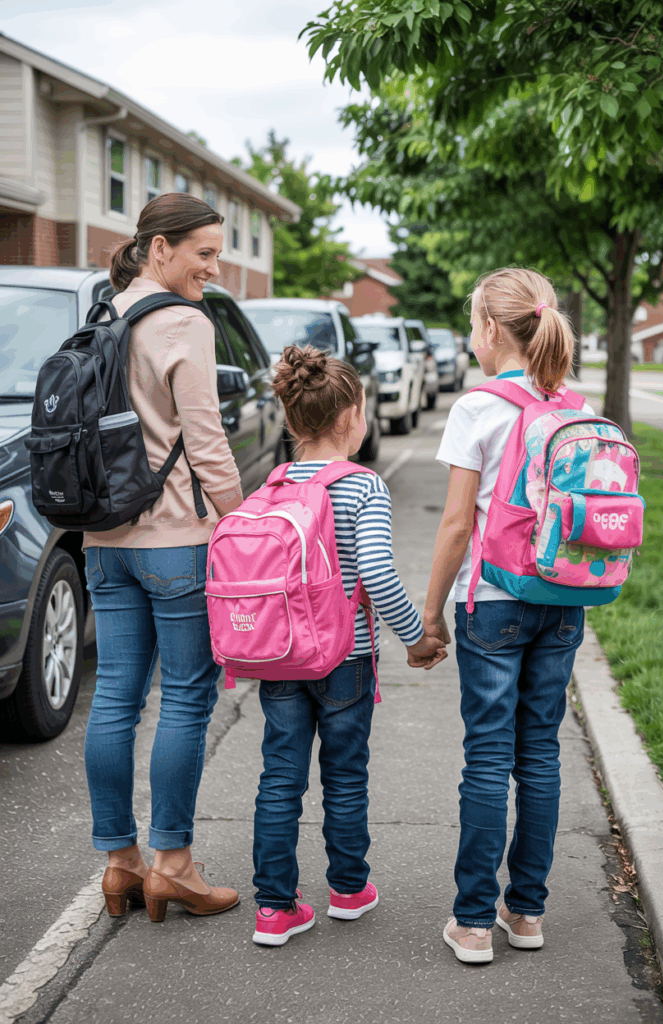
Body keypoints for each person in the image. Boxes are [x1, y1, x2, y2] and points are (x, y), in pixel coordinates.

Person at [251, 345, 446, 946]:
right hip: (344, 658)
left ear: (290, 420)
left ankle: (275, 909)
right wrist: (418, 639)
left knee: (280, 777)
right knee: (345, 776)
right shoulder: (363, 487)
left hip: (280, 656)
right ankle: (348, 889)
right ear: (351, 418)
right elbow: (380, 578)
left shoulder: (273, 484)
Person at [422, 268, 591, 963]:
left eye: (472, 322)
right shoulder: (573, 407)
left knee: (487, 758)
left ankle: (470, 922)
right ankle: (525, 914)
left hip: (492, 603)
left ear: (492, 329)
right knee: (540, 755)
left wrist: (429, 615)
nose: (471, 334)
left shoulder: (477, 408)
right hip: (561, 602)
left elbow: (457, 526)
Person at [84, 193, 243, 924]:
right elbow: (205, 439)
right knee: (184, 695)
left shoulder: (105, 315)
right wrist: (241, 525)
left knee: (116, 696)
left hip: (103, 541)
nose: (215, 267)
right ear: (159, 249)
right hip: (176, 540)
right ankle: (172, 865)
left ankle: (119, 864)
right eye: (204, 253)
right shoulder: (183, 322)